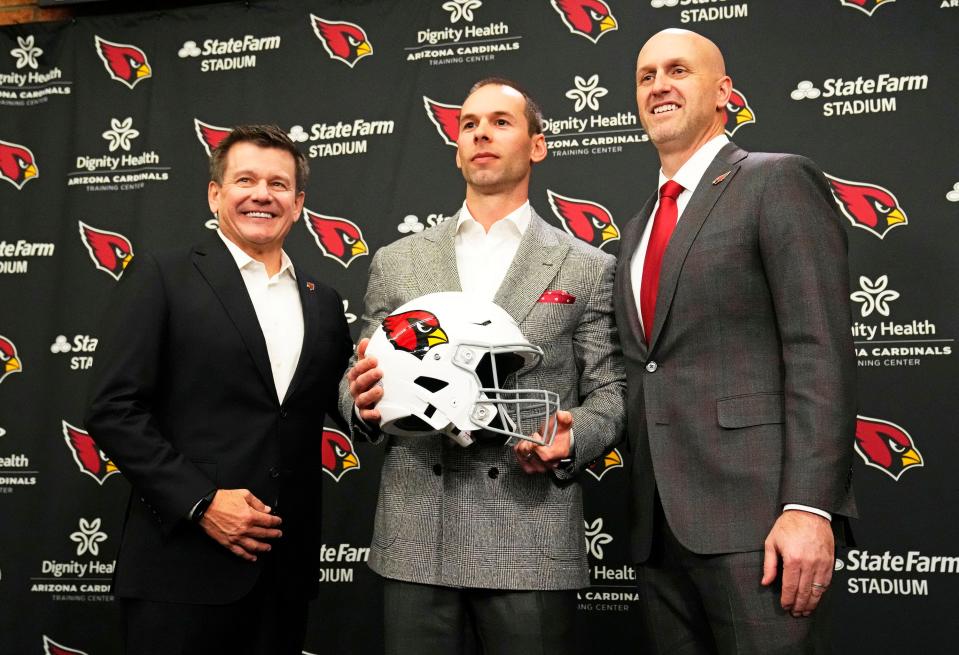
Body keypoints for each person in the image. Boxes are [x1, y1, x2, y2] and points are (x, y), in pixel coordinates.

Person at [342, 78, 625, 654]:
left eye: (500, 121)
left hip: (531, 537)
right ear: (457, 148)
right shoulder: (398, 262)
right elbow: (358, 379)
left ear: (536, 145)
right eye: (469, 124)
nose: (481, 134)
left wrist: (574, 437)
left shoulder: (587, 265)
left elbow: (611, 391)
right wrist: (360, 403)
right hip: (417, 537)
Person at [614, 29, 858, 654]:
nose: (659, 85)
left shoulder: (776, 181)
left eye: (678, 71)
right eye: (646, 76)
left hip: (763, 528)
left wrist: (809, 507)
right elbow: (648, 369)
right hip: (658, 530)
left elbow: (818, 349)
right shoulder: (638, 224)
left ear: (724, 92)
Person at [85, 125, 352, 655]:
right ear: (215, 193)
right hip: (180, 569)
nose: (261, 194)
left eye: (278, 184)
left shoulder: (323, 300)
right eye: (245, 179)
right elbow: (112, 408)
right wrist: (201, 502)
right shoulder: (162, 275)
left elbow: (343, 406)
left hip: (282, 576)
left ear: (298, 204)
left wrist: (376, 401)